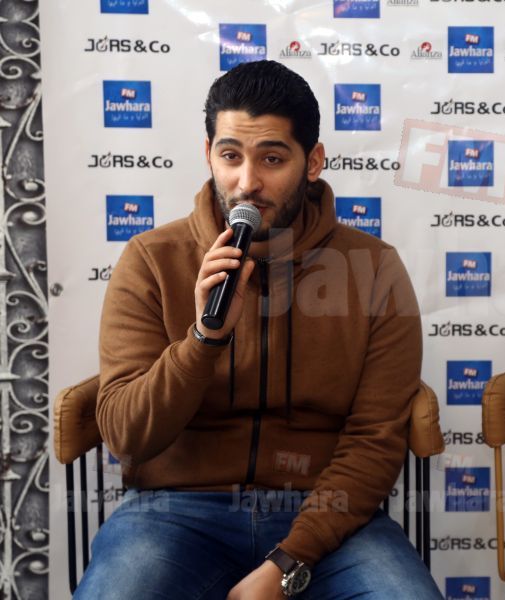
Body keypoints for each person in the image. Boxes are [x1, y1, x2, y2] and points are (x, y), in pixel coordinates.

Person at [74, 60, 441, 599]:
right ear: (209, 154)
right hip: (173, 511)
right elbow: (127, 437)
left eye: (272, 158)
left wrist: (289, 560)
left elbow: (374, 441)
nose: (247, 183)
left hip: (327, 512)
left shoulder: (374, 267)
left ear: (312, 161)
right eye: (230, 156)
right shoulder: (151, 259)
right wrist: (203, 339)